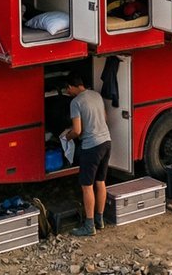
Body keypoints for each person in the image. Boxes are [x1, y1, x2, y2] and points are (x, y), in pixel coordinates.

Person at [62, 71, 111, 236]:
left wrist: (67, 137)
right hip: (106, 142)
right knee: (100, 181)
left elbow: (77, 130)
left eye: (67, 89)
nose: (67, 92)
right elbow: (105, 118)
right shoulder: (96, 95)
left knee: (87, 186)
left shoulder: (75, 102)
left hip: (92, 147)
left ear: (71, 87)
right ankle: (99, 220)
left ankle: (89, 226)